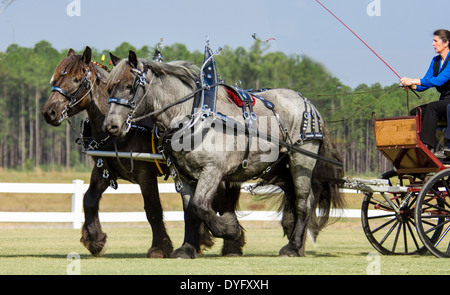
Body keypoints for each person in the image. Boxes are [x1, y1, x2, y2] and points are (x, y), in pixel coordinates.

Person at [401, 29, 450, 154]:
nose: (433, 44)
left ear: (446, 43)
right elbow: (426, 82)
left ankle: (426, 147)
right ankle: (412, 144)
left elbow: (438, 81)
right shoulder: (435, 61)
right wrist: (412, 86)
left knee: (432, 107)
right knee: (416, 112)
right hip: (443, 102)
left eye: (435, 41)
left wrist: (412, 80)